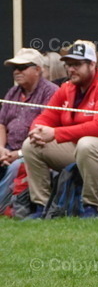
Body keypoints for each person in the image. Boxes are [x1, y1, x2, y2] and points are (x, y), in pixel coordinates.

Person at [22, 41, 98, 218]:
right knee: (30, 145)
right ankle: (43, 208)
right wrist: (37, 131)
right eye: (69, 65)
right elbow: (46, 117)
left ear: (92, 65)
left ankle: (91, 207)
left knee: (87, 144)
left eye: (77, 64)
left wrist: (56, 133)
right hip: (85, 149)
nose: (71, 69)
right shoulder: (67, 87)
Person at [0, 48, 57, 213]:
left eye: (22, 67)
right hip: (8, 150)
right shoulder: (13, 92)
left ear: (37, 69)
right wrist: (1, 148)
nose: (16, 72)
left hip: (35, 151)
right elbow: (2, 123)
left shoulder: (51, 92)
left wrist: (18, 153)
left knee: (16, 167)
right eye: (14, 68)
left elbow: (46, 130)